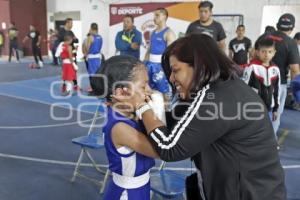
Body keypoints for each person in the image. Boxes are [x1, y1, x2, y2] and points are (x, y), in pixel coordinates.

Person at [110, 34, 287, 200]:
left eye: (176, 70)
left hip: (250, 193)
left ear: (200, 65)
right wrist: (140, 112)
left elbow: (169, 148)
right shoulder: (221, 89)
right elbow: (180, 120)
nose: (171, 78)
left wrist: (142, 107)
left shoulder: (218, 98)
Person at [92, 55, 160, 200]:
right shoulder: (120, 127)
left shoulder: (128, 112)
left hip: (141, 186)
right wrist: (152, 110)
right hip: (127, 193)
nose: (149, 90)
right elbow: (161, 150)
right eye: (143, 86)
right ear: (121, 93)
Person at [255, 13, 300, 134]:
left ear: (277, 25)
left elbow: (253, 56)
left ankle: (252, 141)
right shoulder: (290, 43)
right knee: (274, 115)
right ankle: (269, 144)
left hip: (257, 81)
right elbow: (295, 69)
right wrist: (296, 91)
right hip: (278, 84)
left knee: (255, 112)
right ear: (292, 28)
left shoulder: (263, 37)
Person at [243, 38, 280, 138]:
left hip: (268, 107)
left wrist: (276, 108)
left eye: (270, 52)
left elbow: (277, 90)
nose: (266, 54)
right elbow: (244, 88)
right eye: (263, 51)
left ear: (274, 53)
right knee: (251, 132)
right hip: (253, 107)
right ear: (257, 52)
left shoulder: (276, 69)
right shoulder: (251, 67)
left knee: (265, 132)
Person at [144, 8, 176, 97]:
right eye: (154, 15)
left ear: (164, 16)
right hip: (150, 65)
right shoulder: (153, 32)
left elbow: (171, 54)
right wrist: (144, 64)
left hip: (161, 67)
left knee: (163, 92)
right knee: (149, 91)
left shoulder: (169, 33)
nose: (154, 17)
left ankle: (166, 110)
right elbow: (149, 49)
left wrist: (167, 69)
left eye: (157, 15)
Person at [57, 18, 80, 91]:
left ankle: (75, 85)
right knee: (65, 71)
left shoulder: (71, 32)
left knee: (74, 70)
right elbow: (61, 40)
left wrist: (73, 39)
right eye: (71, 23)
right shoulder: (61, 32)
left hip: (72, 52)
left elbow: (76, 40)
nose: (72, 25)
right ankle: (64, 86)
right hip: (65, 54)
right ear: (67, 23)